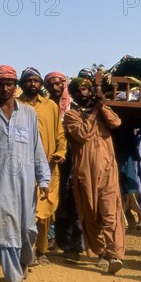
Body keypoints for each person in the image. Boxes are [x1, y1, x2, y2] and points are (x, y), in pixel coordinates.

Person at [0, 65, 51, 282]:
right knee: (5, 227)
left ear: (15, 86)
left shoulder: (28, 113)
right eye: (1, 84)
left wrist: (44, 178)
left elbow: (37, 148)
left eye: (10, 84)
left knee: (28, 228)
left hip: (26, 179)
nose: (6, 88)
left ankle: (25, 260)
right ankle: (15, 276)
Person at [63, 77, 125, 274]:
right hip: (85, 172)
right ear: (72, 95)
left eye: (86, 89)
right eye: (78, 90)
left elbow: (116, 123)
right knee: (91, 214)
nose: (83, 93)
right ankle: (101, 252)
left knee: (109, 212)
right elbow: (81, 134)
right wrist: (95, 111)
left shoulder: (103, 111)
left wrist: (102, 106)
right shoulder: (72, 115)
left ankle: (115, 254)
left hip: (107, 170)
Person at [18, 67, 67, 265]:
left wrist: (61, 152)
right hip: (20, 165)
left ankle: (42, 249)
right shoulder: (15, 105)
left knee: (44, 211)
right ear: (22, 84)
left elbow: (59, 133)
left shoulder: (50, 106)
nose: (32, 84)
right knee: (24, 209)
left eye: (36, 80)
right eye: (28, 80)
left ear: (41, 84)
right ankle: (25, 250)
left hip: (47, 165)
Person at [45, 71, 83, 261]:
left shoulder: (75, 105)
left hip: (74, 154)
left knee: (73, 196)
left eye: (58, 83)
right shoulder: (45, 104)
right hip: (52, 155)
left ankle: (75, 244)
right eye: (51, 85)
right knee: (53, 195)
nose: (55, 87)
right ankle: (53, 238)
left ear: (64, 83)